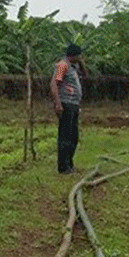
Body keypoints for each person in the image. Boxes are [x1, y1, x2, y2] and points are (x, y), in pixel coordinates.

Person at [50, 43, 87, 174]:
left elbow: (85, 74)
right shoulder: (62, 65)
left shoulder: (73, 66)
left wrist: (81, 63)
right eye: (79, 55)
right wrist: (58, 104)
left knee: (73, 136)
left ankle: (69, 164)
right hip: (66, 103)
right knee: (65, 136)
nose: (81, 57)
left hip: (74, 104)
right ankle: (63, 167)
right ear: (74, 55)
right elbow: (54, 84)